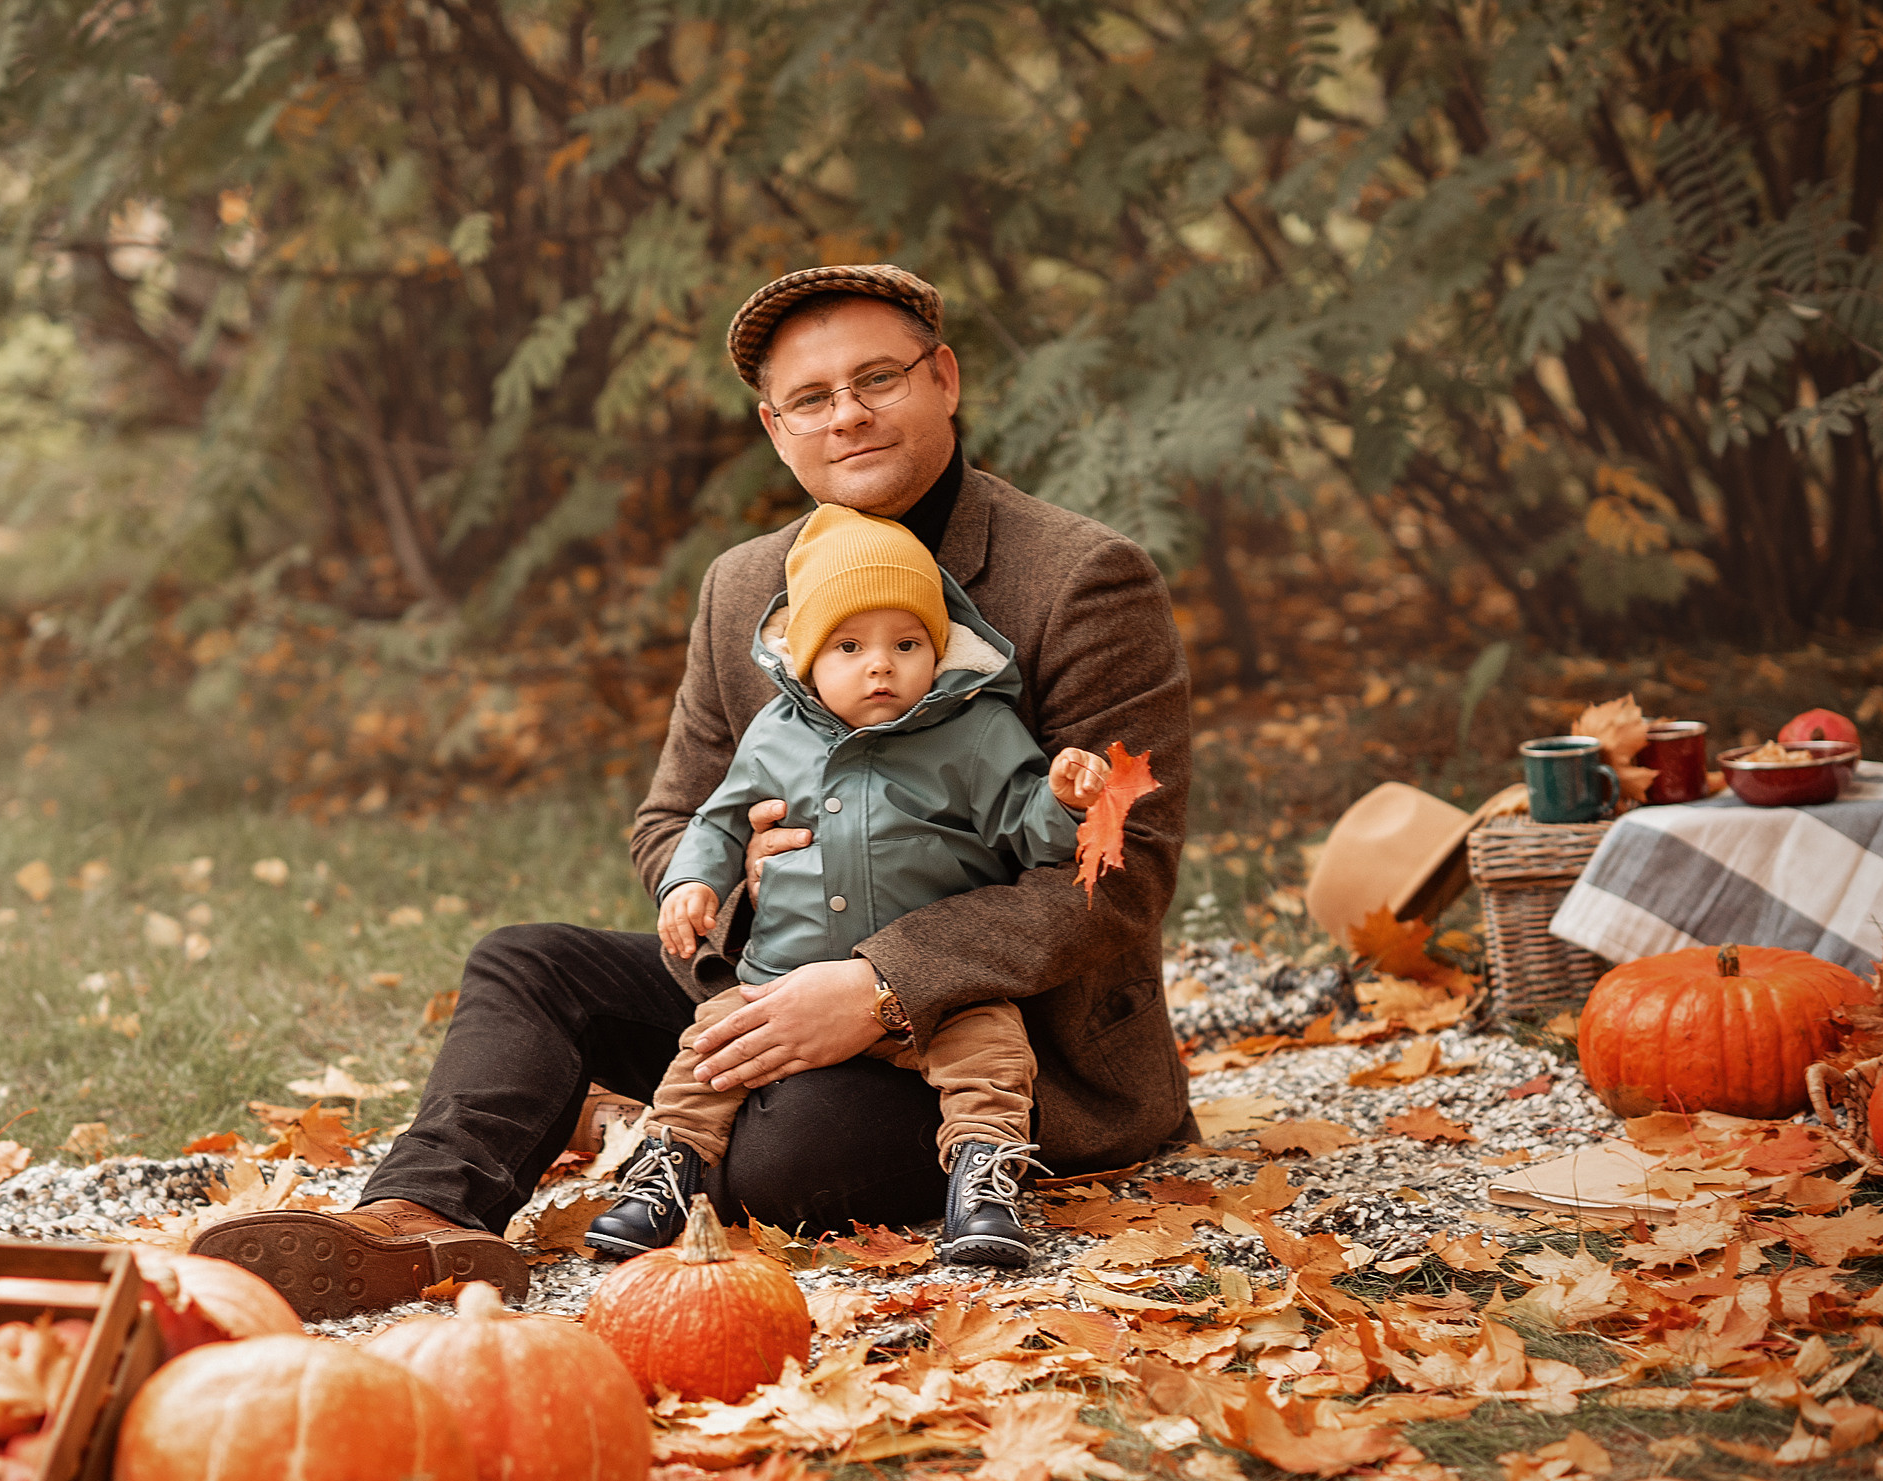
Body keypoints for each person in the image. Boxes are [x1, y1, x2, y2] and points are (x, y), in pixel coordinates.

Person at [194, 262, 1195, 1322]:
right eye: (810, 398)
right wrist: (723, 875)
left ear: (942, 379)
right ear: (775, 427)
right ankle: (414, 1216)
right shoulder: (742, 588)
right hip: (775, 967)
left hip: (996, 1037)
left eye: (877, 379)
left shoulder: (1081, 577)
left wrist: (878, 984)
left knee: (790, 1152)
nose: (846, 414)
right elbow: (671, 819)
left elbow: (1118, 873)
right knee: (528, 964)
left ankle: (731, 1150)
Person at [584, 503, 1113, 1266]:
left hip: (931, 995)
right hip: (783, 980)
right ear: (804, 657)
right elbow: (716, 819)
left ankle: (985, 1181)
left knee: (992, 1054)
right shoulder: (775, 734)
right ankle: (665, 1170)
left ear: (937, 647)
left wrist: (1062, 800)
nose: (880, 665)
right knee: (706, 1056)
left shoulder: (975, 732)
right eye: (849, 645)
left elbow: (1029, 832)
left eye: (906, 643)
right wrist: (693, 881)